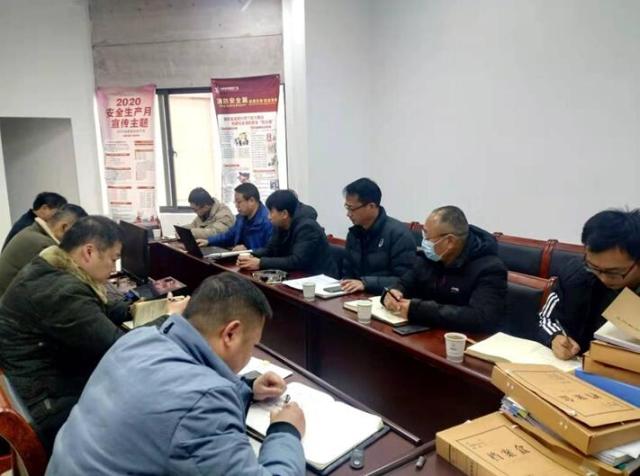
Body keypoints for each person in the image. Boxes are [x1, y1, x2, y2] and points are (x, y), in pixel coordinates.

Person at [47, 273, 305, 475]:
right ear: (230, 334)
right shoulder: (204, 402)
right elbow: (193, 402)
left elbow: (175, 398)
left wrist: (246, 389)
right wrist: (285, 430)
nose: (250, 353)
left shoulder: (138, 338)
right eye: (252, 344)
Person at [0, 216, 185, 453]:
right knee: (153, 412)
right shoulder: (60, 291)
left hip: (41, 380)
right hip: (51, 404)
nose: (113, 269)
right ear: (89, 252)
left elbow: (95, 309)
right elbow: (121, 348)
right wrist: (170, 318)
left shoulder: (51, 267)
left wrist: (137, 308)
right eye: (113, 259)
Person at [383, 206, 507, 333]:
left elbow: (480, 318)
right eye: (423, 234)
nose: (424, 241)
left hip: (460, 339)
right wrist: (394, 292)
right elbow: (405, 282)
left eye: (428, 237)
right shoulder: (429, 258)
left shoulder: (490, 269)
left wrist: (417, 309)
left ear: (450, 242)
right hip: (424, 332)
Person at [538, 209, 640, 360]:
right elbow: (547, 318)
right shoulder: (576, 274)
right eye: (594, 267)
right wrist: (555, 337)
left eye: (614, 272)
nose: (603, 279)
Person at [340, 178, 417, 294]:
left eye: (352, 209)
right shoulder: (354, 233)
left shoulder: (399, 235)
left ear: (371, 206)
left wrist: (365, 283)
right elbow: (347, 272)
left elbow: (404, 280)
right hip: (356, 295)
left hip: (385, 297)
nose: (348, 214)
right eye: (347, 207)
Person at [237, 190, 338, 277]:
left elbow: (296, 261)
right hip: (297, 277)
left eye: (271, 212)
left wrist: (260, 263)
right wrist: (249, 256)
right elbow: (270, 250)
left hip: (319, 280)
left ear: (284, 214)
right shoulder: (279, 225)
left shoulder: (307, 227)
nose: (268, 217)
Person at [0, 204, 87, 297]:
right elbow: (65, 287)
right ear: (65, 228)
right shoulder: (45, 247)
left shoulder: (31, 231)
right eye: (79, 235)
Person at [196, 183, 272, 252]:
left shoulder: (269, 221)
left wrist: (248, 251)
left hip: (255, 260)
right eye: (235, 202)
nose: (236, 206)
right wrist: (208, 241)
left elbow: (271, 251)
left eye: (239, 202)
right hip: (240, 257)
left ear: (251, 201)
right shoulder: (241, 218)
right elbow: (229, 236)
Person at [2, 192, 67, 250]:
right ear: (44, 208)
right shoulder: (27, 226)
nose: (59, 217)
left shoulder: (29, 219)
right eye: (57, 213)